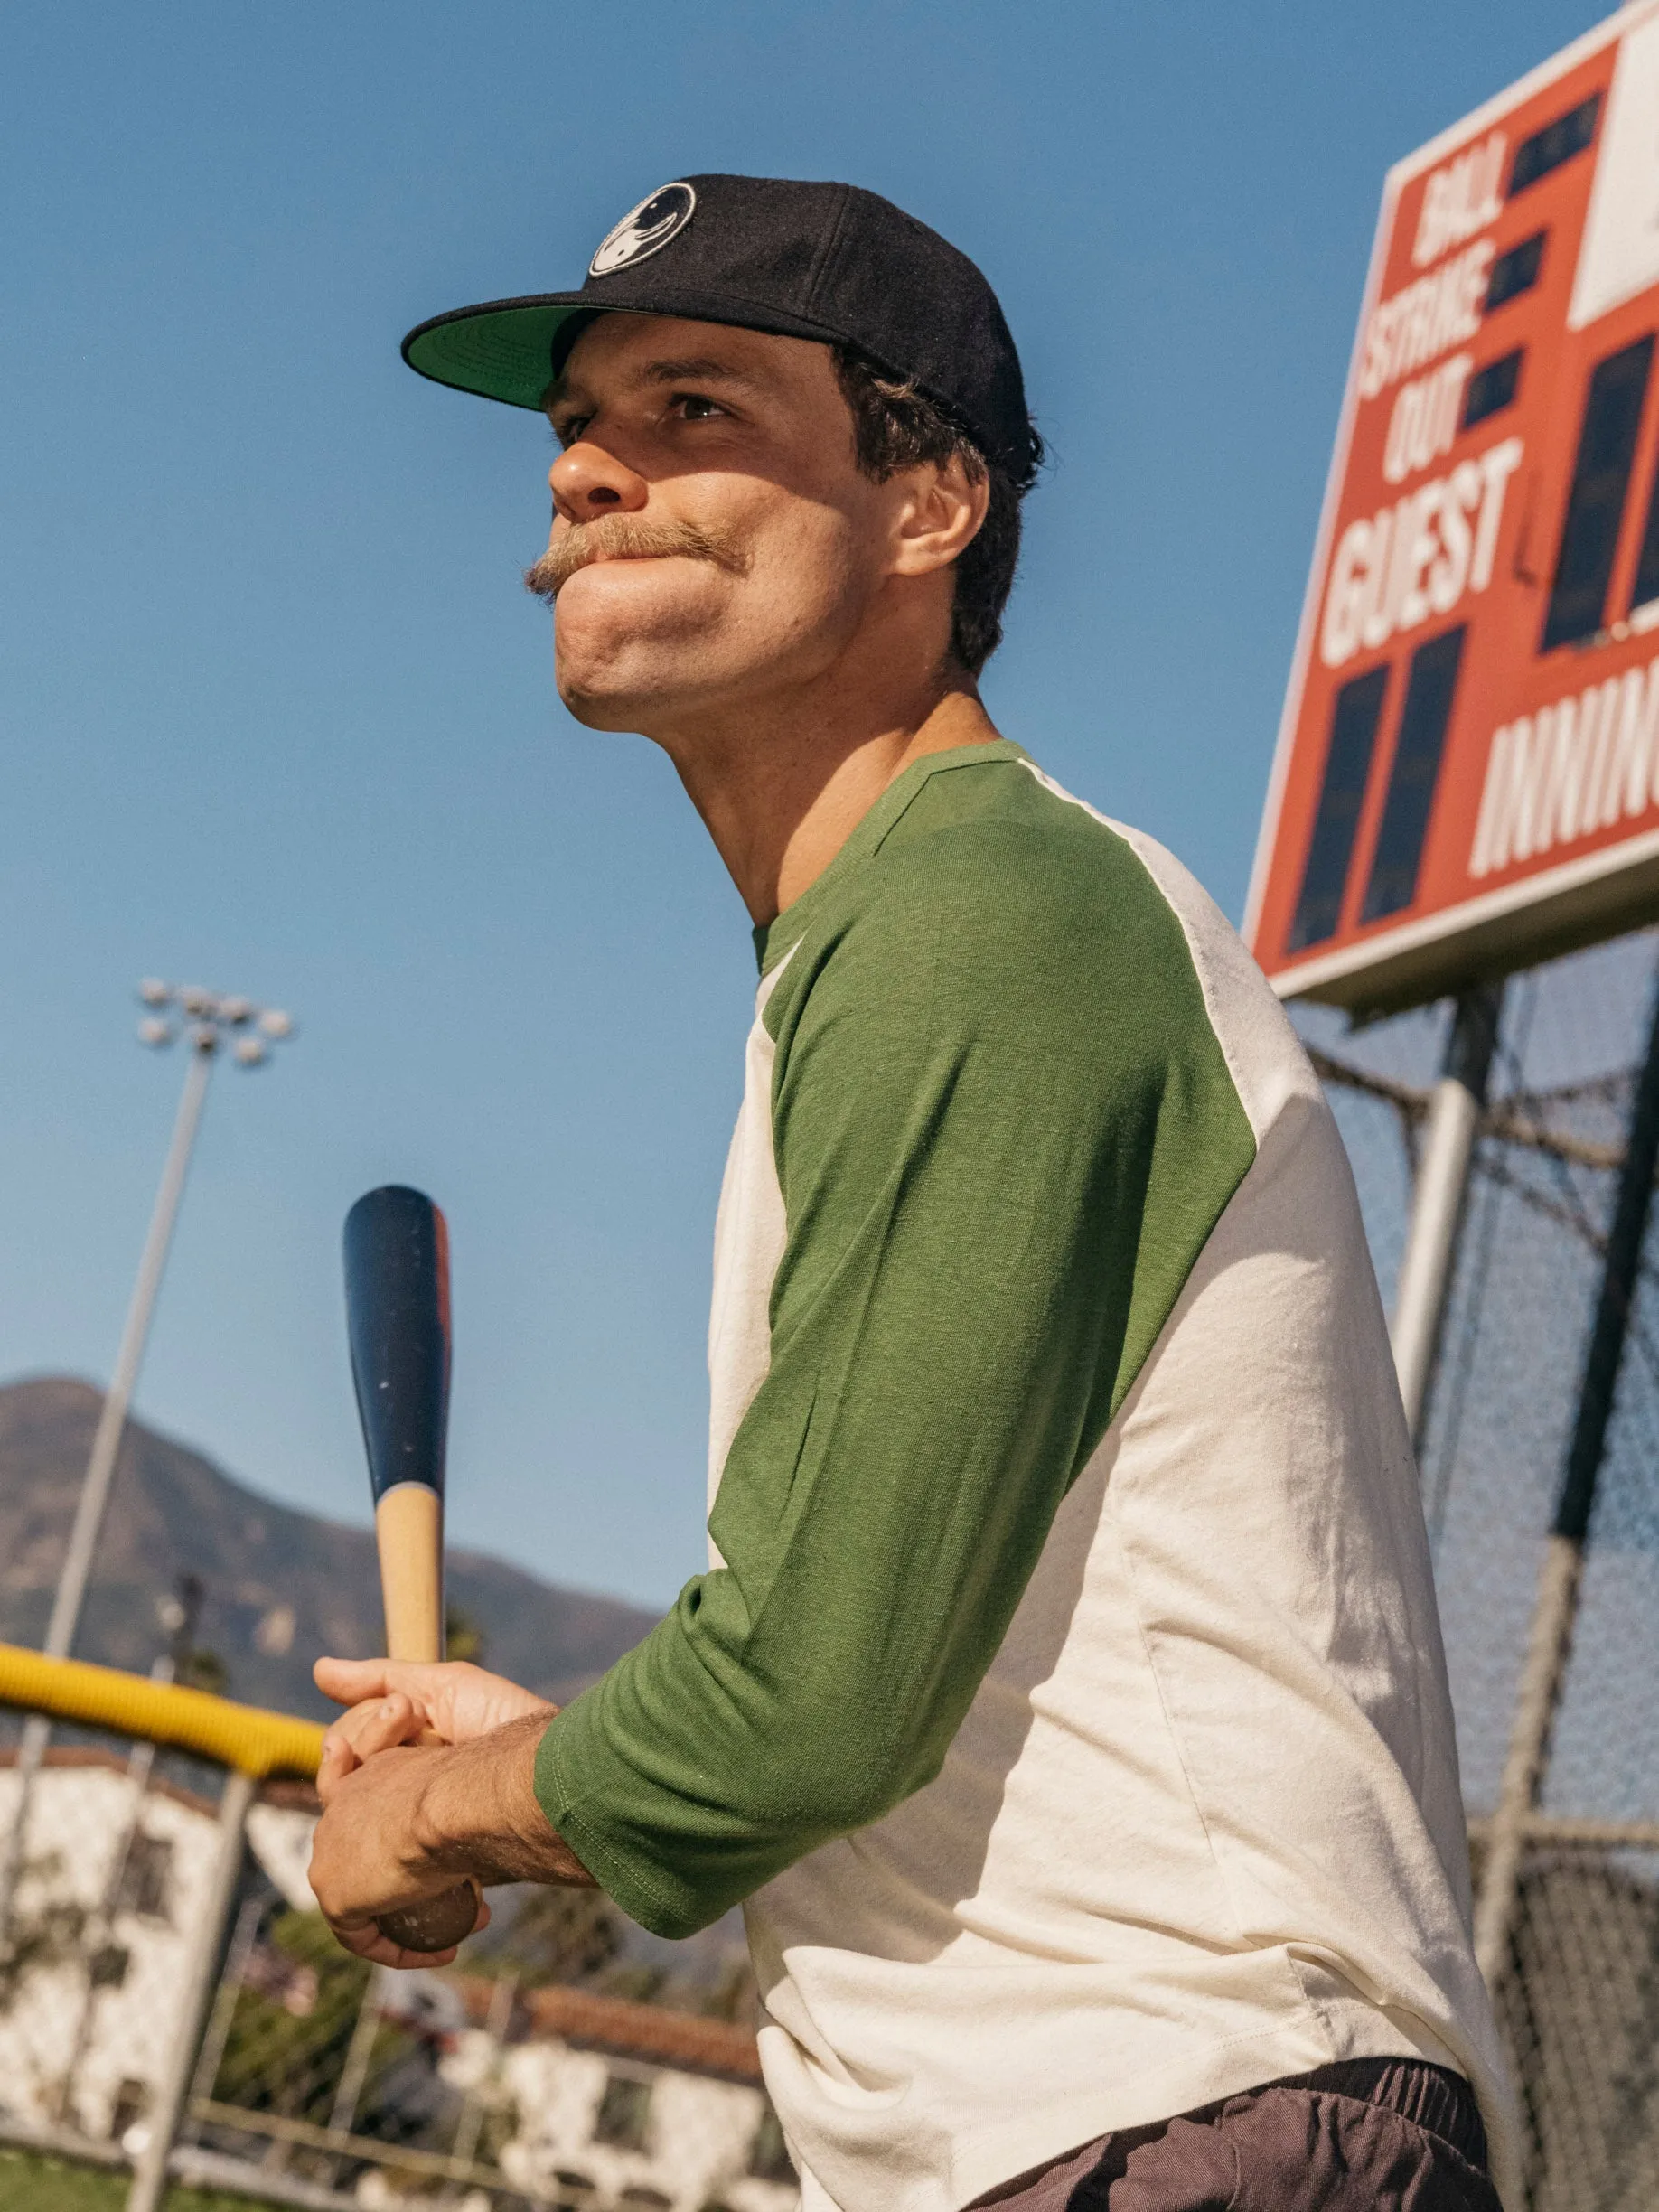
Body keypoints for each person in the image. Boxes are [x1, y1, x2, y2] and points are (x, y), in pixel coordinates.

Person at [308, 175, 1515, 2211]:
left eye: (696, 408)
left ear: (930, 503)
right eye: (577, 429)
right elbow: (880, 1684)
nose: (595, 472)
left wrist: (433, 1820)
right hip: (1142, 2123)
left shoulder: (987, 907)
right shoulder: (888, 939)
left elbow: (802, 1707)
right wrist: (541, 1759)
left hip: (1177, 2119)